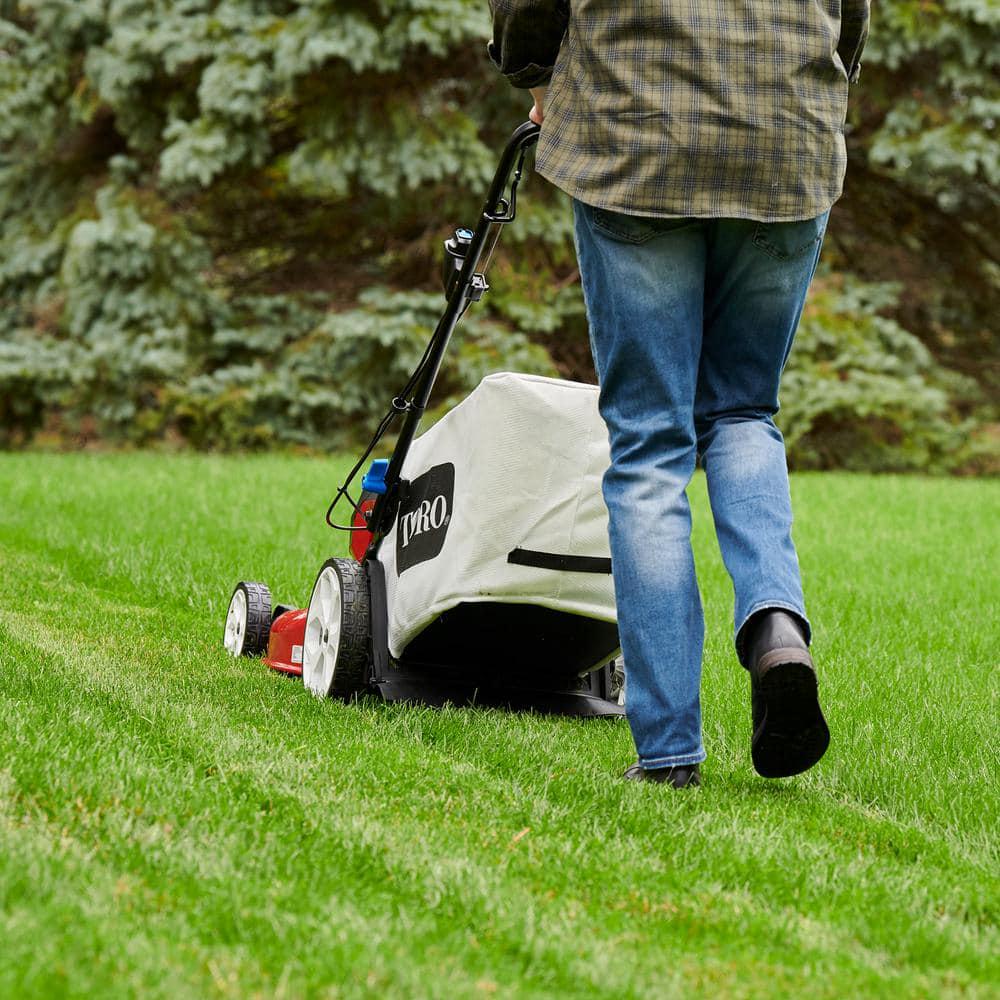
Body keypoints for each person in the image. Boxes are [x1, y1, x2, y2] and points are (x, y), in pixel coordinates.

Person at [487, 0, 870, 787]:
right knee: (743, 412)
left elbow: (528, 8)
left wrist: (537, 75)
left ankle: (667, 752)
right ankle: (775, 633)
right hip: (785, 140)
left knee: (651, 446)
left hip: (636, 132)